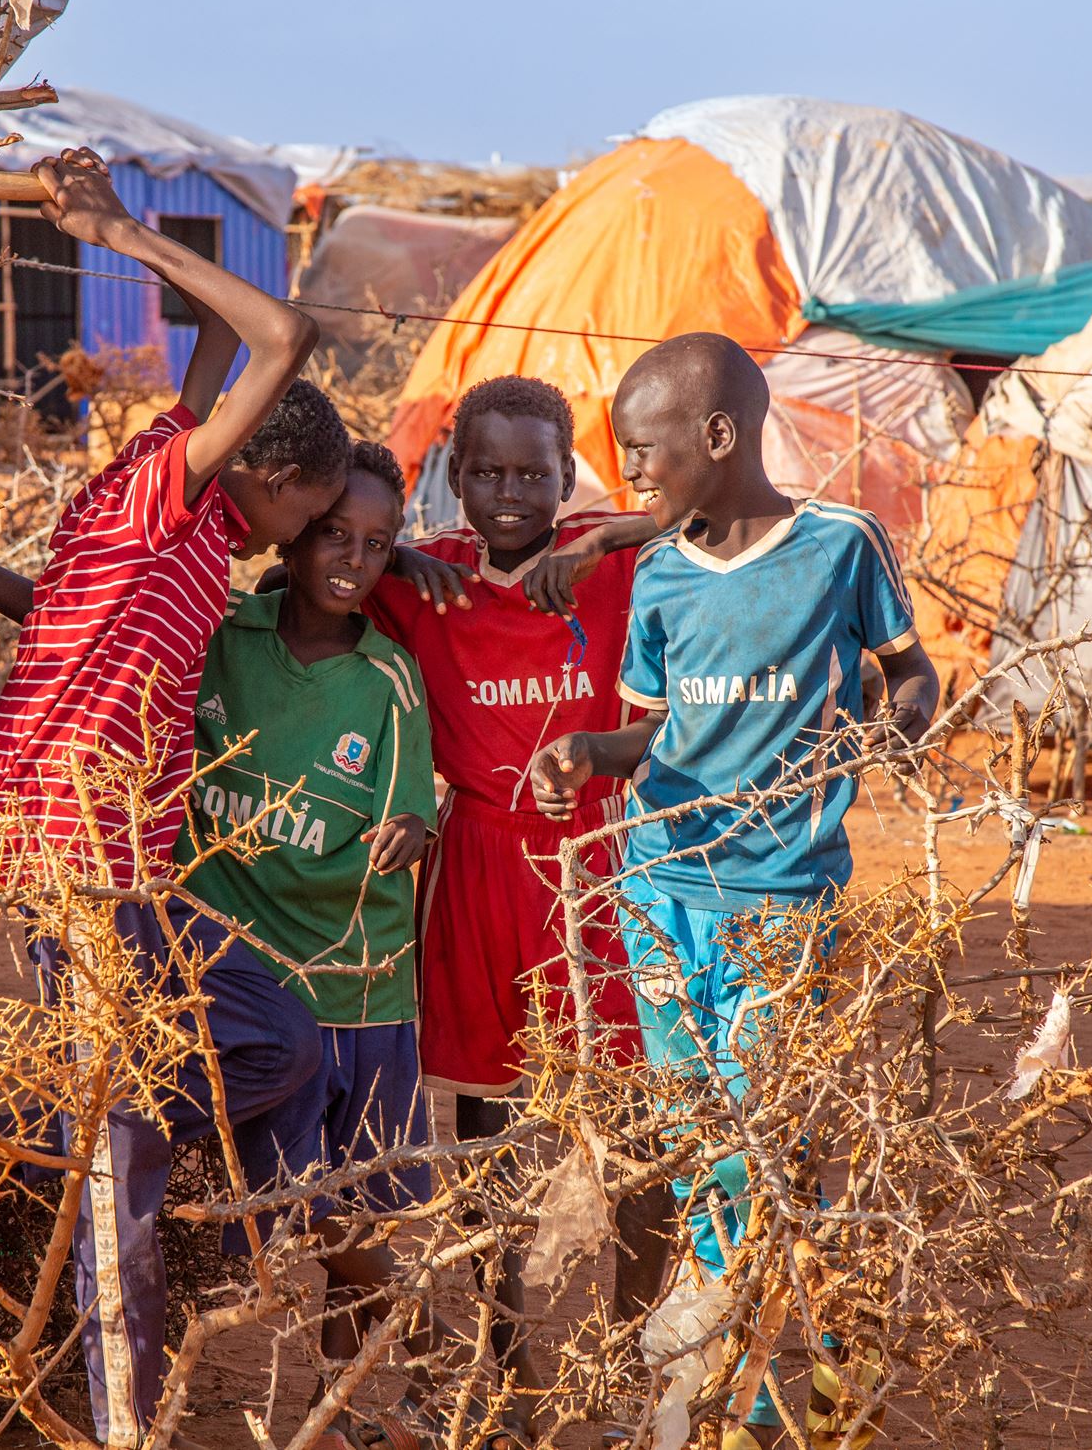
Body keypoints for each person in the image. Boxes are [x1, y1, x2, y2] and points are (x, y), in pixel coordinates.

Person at [0, 145, 348, 1448]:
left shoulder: (179, 521)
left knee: (280, 1042)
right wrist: (119, 228)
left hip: (119, 860)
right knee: (127, 1148)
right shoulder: (161, 497)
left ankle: (42, 1133)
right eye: (314, 511)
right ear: (264, 479)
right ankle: (124, 1411)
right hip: (79, 847)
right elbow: (279, 331)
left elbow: (56, 610)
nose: (307, 541)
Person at [526, 333, 940, 1445]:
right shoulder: (657, 573)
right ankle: (729, 1385)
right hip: (659, 893)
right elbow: (650, 733)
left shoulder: (842, 547)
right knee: (690, 1133)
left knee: (760, 1145)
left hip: (781, 902)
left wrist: (894, 726)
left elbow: (911, 672)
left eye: (644, 451)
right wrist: (586, 751)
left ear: (718, 436)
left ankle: (758, 1391)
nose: (633, 475)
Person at [362, 376, 671, 1436]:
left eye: (531, 472)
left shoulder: (604, 557)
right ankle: (509, 1345)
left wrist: (602, 534)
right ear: (452, 473)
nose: (507, 493)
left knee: (631, 1120)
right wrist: (391, 553)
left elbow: (711, 501)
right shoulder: (427, 575)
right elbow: (311, 554)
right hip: (477, 858)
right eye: (485, 470)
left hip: (595, 860)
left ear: (564, 471)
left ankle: (633, 1353)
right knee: (485, 1128)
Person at [178, 442, 443, 1444]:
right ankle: (428, 1335)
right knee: (296, 1201)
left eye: (377, 545)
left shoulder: (386, 683)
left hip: (354, 988)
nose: (354, 557)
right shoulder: (223, 637)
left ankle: (334, 1412)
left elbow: (413, 812)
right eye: (336, 533)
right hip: (240, 980)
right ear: (293, 535)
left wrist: (408, 833)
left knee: (352, 1213)